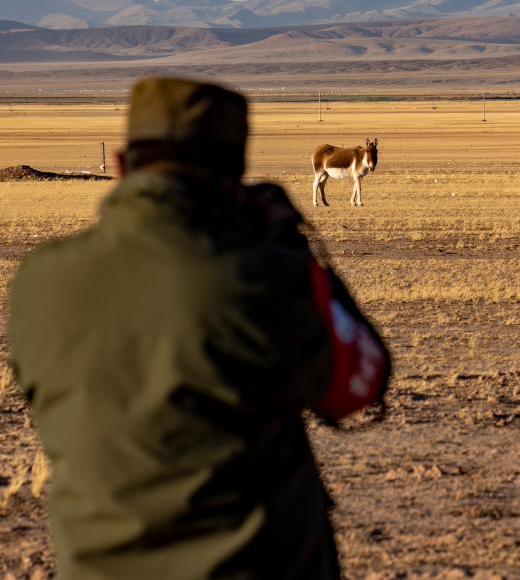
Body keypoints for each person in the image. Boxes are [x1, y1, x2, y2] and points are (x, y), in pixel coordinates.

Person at [10, 77, 390, 578]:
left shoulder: (38, 281)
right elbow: (358, 385)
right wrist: (303, 256)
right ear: (235, 177)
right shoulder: (267, 277)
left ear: (121, 167)